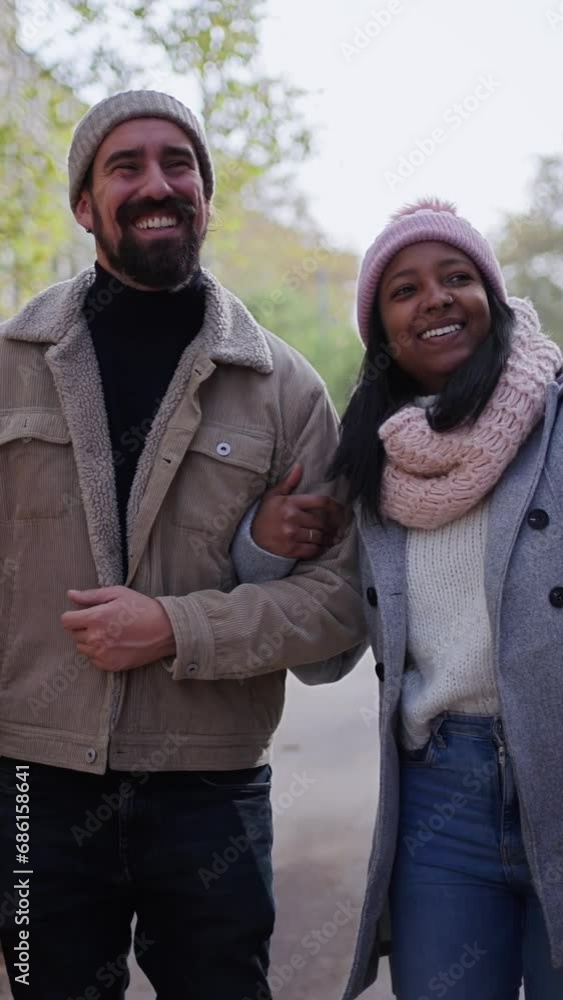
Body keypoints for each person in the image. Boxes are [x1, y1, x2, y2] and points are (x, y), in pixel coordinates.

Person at [0, 89, 365, 1000]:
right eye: (125, 166)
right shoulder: (6, 364)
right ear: (85, 204)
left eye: (178, 164)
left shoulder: (285, 390)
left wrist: (174, 628)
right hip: (29, 788)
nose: (155, 183)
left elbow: (338, 605)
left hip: (210, 789)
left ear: (204, 193)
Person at [235, 199, 563, 999]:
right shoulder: (369, 468)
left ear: (489, 294)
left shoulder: (554, 420)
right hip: (439, 800)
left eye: (457, 278)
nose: (436, 299)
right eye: (405, 290)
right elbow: (324, 655)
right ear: (382, 332)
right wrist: (265, 547)